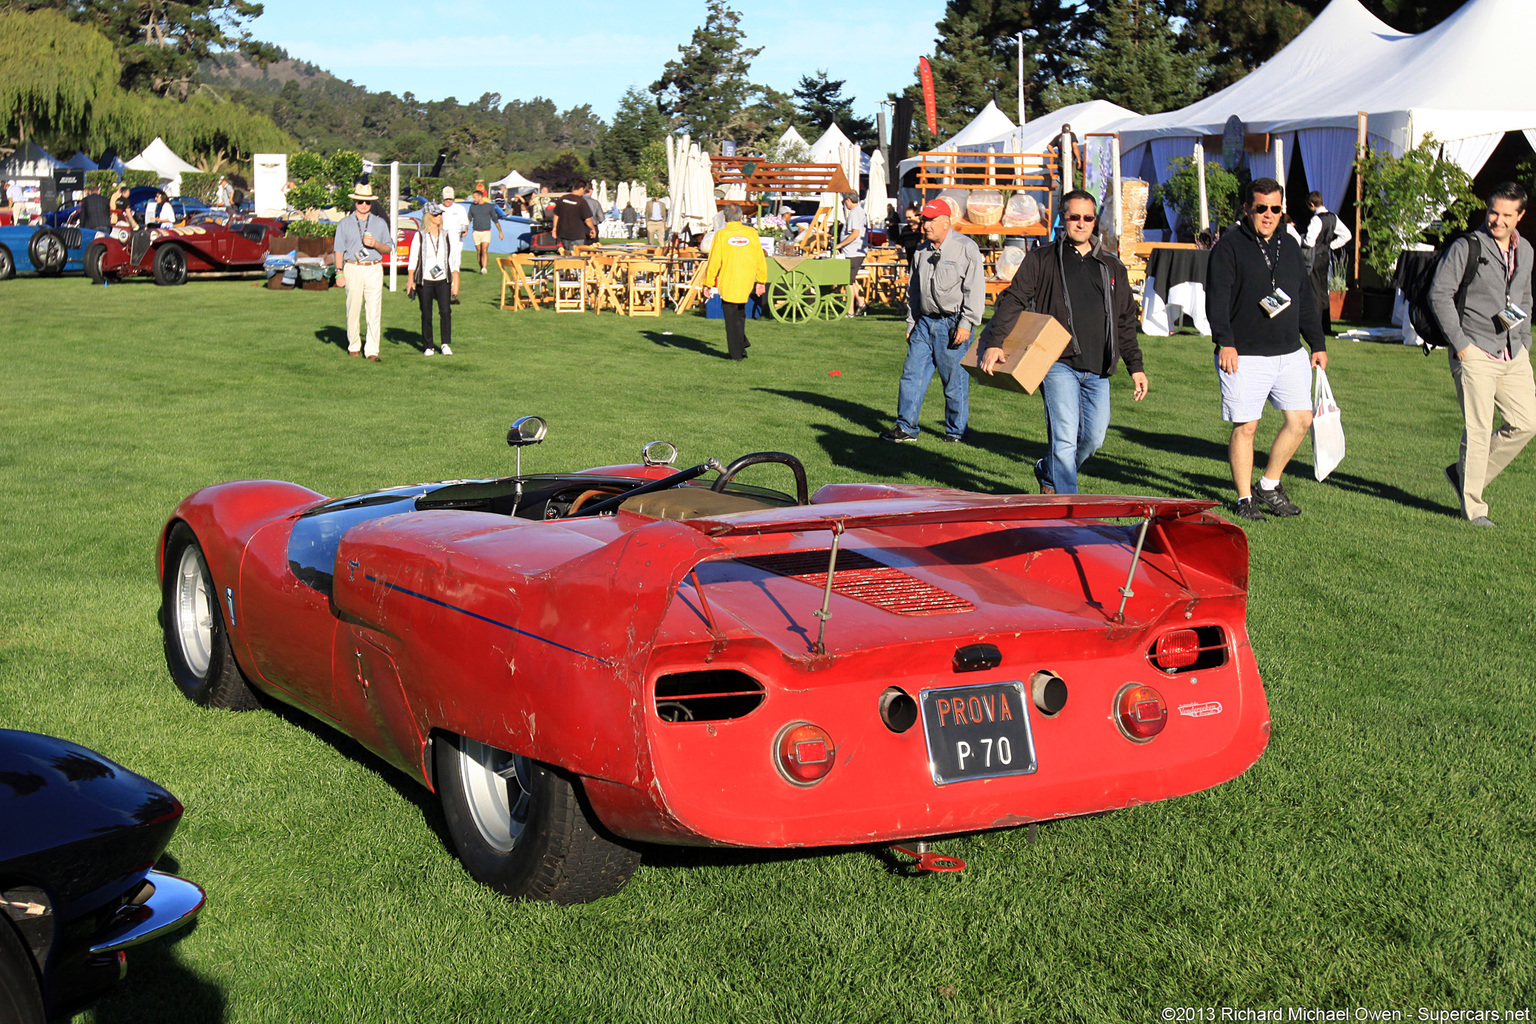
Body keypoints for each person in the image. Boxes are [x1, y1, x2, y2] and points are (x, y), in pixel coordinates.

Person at [980, 190, 1148, 494]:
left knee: (1093, 439)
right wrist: (995, 341)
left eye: (1088, 218)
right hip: (1057, 363)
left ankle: (1048, 470)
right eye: (1074, 217)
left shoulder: (1112, 266)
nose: (1081, 224)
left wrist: (1135, 366)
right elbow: (1014, 299)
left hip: (1098, 369)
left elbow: (1125, 320)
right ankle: (1069, 511)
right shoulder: (1042, 259)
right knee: (1065, 437)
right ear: (1063, 219)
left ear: (1095, 221)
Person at [1207, 177, 1327, 522]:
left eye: (1276, 208)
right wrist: (1225, 342)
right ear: (1247, 209)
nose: (1269, 215)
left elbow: (1303, 299)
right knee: (1247, 427)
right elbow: (1216, 300)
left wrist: (1316, 343)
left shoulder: (1289, 246)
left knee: (1301, 419)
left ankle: (1269, 484)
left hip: (1289, 352)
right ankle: (1245, 499)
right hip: (1243, 353)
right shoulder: (1229, 247)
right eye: (1261, 208)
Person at [1432, 182, 1535, 527]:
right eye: (1494, 212)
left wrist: (1524, 340)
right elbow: (1439, 295)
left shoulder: (1527, 251)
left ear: (1520, 215)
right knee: (1478, 430)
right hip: (1473, 349)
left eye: (1507, 214)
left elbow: (1525, 299)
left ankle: (1463, 474)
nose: (1498, 220)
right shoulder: (1467, 246)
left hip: (1513, 351)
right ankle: (1474, 508)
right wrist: (1461, 344)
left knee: (1526, 423)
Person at [880, 198, 985, 443]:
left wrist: (966, 323)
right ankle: (905, 428)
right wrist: (911, 322)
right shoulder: (921, 250)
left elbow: (975, 289)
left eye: (930, 220)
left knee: (954, 382)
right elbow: (914, 290)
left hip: (952, 324)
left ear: (946, 223)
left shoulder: (965, 247)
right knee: (911, 375)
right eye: (924, 219)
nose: (925, 225)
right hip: (923, 324)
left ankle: (956, 432)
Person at [332, 183, 392, 361]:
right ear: (355, 202)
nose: (363, 205)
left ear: (371, 203)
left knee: (374, 310)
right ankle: (354, 345)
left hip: (373, 267)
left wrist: (376, 244)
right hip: (353, 267)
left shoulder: (380, 223)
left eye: (367, 202)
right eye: (360, 202)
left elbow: (388, 248)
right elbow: (338, 250)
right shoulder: (344, 223)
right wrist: (338, 272)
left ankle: (372, 350)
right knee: (353, 308)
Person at [702, 204, 768, 361]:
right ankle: (742, 345)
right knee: (740, 313)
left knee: (731, 318)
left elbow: (714, 261)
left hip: (729, 279)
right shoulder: (751, 233)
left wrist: (708, 283)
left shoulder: (721, 235)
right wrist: (761, 280)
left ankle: (736, 354)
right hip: (746, 280)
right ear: (741, 217)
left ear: (725, 217)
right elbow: (759, 258)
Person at [406, 202, 462, 357]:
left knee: (445, 311)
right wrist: (411, 279)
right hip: (425, 279)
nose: (439, 217)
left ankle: (445, 343)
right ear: (428, 216)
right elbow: (413, 259)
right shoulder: (420, 235)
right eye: (436, 214)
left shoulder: (445, 234)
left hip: (443, 278)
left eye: (440, 214)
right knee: (426, 312)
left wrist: (454, 277)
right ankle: (428, 345)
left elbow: (451, 257)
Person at [1302, 192, 1353, 338]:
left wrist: (1302, 238)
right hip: (1326, 256)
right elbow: (1347, 235)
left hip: (1314, 257)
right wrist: (1332, 245)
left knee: (1315, 292)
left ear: (1311, 204)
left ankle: (1316, 327)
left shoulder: (1316, 220)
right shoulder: (1333, 217)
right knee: (1324, 291)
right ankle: (1325, 326)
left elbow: (1310, 242)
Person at [835, 191, 869, 316]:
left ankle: (850, 311)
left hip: (853, 252)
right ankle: (861, 303)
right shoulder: (861, 211)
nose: (845, 204)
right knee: (851, 279)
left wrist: (840, 245)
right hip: (856, 251)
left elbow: (855, 233)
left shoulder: (855, 213)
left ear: (848, 200)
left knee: (847, 281)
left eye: (845, 202)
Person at [467, 190, 504, 275]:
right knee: (479, 251)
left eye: (475, 197)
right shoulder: (472, 207)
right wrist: (464, 228)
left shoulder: (489, 207)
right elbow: (469, 219)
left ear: (480, 197)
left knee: (484, 249)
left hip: (486, 231)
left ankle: (484, 268)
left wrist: (500, 232)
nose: (473, 199)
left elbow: (495, 220)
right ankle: (481, 267)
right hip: (476, 231)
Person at [554, 184, 594, 254]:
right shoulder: (581, 201)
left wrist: (554, 228)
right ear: (581, 188)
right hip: (577, 235)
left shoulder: (563, 199)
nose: (583, 193)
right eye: (584, 191)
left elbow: (556, 215)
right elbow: (587, 219)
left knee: (566, 254)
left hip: (564, 233)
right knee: (577, 256)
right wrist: (592, 228)